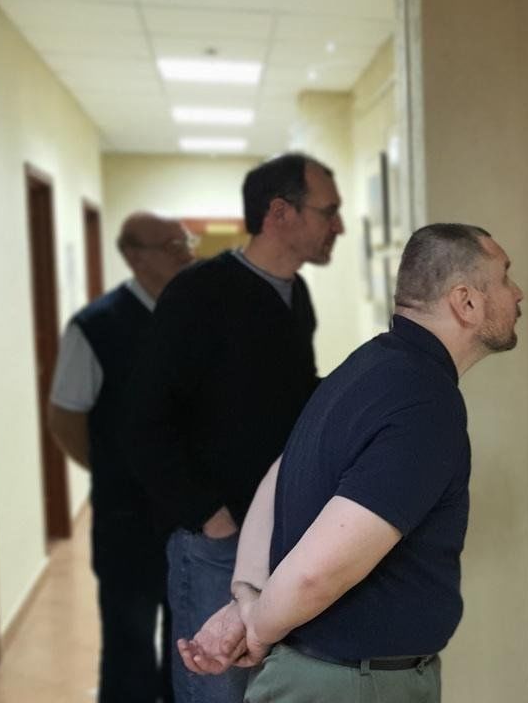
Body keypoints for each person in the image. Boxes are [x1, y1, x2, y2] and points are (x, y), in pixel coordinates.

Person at [177, 223, 524, 703]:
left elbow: (279, 475)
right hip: (352, 686)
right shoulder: (425, 403)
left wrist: (247, 597)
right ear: (465, 302)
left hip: (320, 673)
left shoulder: (366, 366)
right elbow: (320, 573)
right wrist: (256, 624)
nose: (518, 292)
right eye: (506, 277)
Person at [126, 152, 344, 703]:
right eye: (329, 212)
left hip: (274, 535)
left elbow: (279, 394)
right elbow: (144, 422)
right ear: (280, 213)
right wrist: (211, 518)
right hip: (214, 545)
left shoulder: (295, 295)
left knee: (256, 683)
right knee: (214, 687)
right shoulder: (198, 296)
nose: (338, 226)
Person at [46, 211, 194, 703]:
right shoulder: (95, 328)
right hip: (125, 517)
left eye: (185, 242)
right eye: (172, 246)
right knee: (129, 643)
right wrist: (113, 470)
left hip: (192, 512)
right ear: (134, 256)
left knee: (189, 640)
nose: (186, 253)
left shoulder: (198, 313)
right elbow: (66, 420)